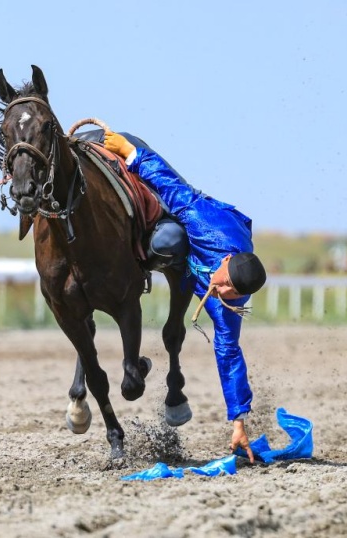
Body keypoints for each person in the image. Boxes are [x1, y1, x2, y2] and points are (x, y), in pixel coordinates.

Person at [104, 131, 266, 463]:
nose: (222, 295)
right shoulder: (204, 225)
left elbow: (229, 355)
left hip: (208, 260)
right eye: (223, 287)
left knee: (228, 343)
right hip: (193, 215)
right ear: (223, 262)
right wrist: (131, 153)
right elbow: (173, 187)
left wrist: (238, 422)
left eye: (231, 295)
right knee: (166, 242)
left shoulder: (229, 301)